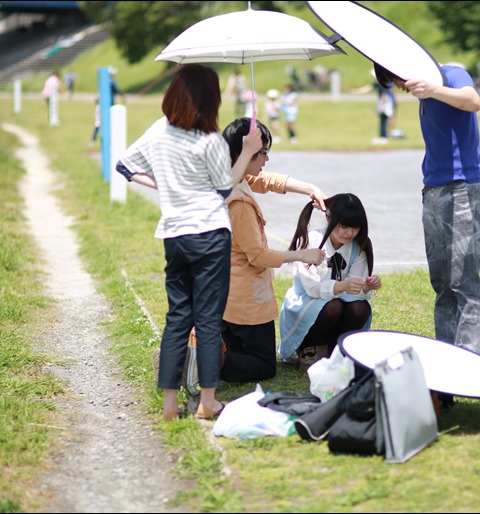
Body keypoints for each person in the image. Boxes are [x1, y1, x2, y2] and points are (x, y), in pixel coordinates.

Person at [114, 64, 263, 422]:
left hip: (174, 235)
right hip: (210, 234)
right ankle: (207, 402)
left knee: (177, 317)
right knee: (209, 320)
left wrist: (165, 187)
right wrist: (246, 152)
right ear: (209, 99)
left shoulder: (157, 132)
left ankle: (169, 405)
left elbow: (124, 166)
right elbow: (224, 187)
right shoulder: (209, 140)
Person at [373, 61, 480, 409]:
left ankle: (471, 370)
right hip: (433, 191)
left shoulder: (449, 74)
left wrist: (433, 89)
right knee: (442, 285)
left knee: (463, 283)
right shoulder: (424, 90)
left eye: (398, 80)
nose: (402, 88)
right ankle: (445, 374)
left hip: (463, 189)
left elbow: (473, 100)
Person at [219, 117, 327, 383]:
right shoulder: (239, 206)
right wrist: (303, 254)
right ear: (245, 152)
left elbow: (266, 180)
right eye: (262, 153)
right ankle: (201, 362)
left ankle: (210, 356)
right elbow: (258, 256)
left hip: (227, 300)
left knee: (239, 352)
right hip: (246, 303)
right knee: (264, 366)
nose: (266, 160)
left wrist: (308, 188)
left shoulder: (228, 179)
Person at [279, 193, 382, 373]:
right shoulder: (311, 240)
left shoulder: (358, 247)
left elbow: (355, 286)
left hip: (337, 301)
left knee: (361, 307)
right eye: (343, 226)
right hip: (307, 304)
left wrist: (366, 286)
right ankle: (310, 349)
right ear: (328, 219)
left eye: (355, 228)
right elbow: (311, 288)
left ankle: (338, 350)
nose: (348, 233)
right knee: (332, 306)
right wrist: (342, 286)